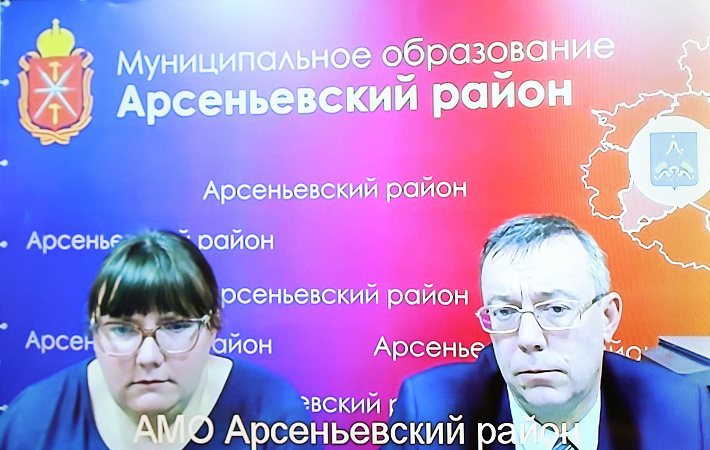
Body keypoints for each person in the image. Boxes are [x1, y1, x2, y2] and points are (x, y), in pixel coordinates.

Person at [384, 215, 710, 449]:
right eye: (505, 313)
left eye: (555, 309)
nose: (529, 339)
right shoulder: (431, 413)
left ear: (607, 318)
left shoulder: (683, 413)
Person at [0, 231, 320, 449]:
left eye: (176, 327)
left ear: (213, 327)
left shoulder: (270, 414)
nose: (148, 357)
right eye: (123, 330)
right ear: (94, 334)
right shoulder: (33, 421)